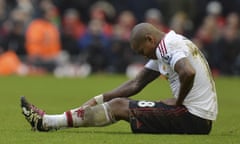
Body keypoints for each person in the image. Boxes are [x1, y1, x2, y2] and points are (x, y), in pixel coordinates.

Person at [20, 23, 218, 134]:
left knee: (118, 107)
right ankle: (49, 121)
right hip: (198, 118)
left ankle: (47, 123)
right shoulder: (170, 44)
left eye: (142, 51)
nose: (143, 56)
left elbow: (188, 72)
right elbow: (136, 83)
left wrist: (178, 102)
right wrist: (98, 99)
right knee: (116, 104)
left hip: (192, 118)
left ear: (150, 39)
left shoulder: (166, 47)